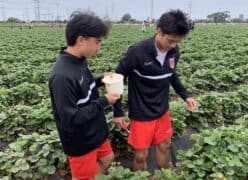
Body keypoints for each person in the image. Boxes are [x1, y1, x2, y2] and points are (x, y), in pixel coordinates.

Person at [112, 9, 197, 172]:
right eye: (170, 40)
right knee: (141, 155)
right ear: (159, 30)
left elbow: (172, 75)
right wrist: (117, 112)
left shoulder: (174, 52)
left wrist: (185, 96)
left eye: (177, 42)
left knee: (165, 145)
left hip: (162, 109)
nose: (172, 45)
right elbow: (117, 78)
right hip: (141, 112)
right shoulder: (137, 51)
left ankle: (163, 176)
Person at [48, 12, 119, 180]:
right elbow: (71, 119)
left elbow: (85, 87)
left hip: (95, 130)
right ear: (81, 40)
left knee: (108, 158)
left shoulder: (79, 61)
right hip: (80, 140)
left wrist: (102, 80)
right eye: (97, 42)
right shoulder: (62, 76)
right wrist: (104, 101)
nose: (98, 47)